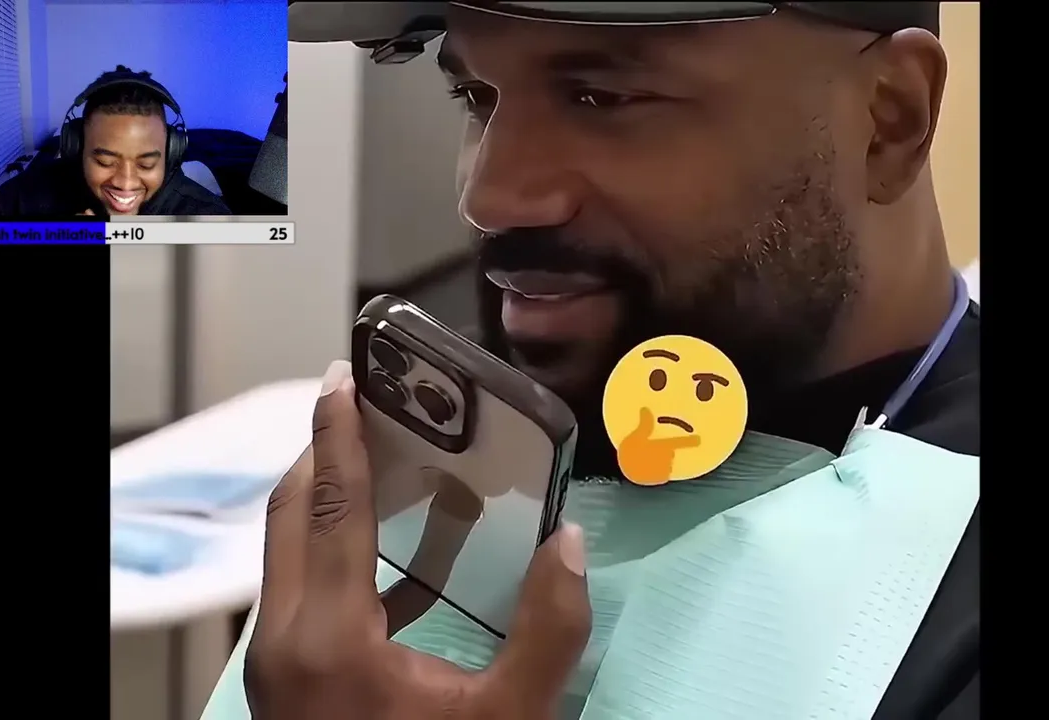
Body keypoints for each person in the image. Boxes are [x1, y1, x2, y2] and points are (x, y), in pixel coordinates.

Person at [221, 2, 979, 719]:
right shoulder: (443, 464)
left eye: (602, 99)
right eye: (476, 96)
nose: (490, 197)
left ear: (890, 121)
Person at [0, 66, 231, 217]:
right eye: (105, 161)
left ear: (170, 153)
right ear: (77, 147)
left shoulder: (207, 220)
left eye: (146, 164)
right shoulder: (17, 202)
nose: (126, 183)